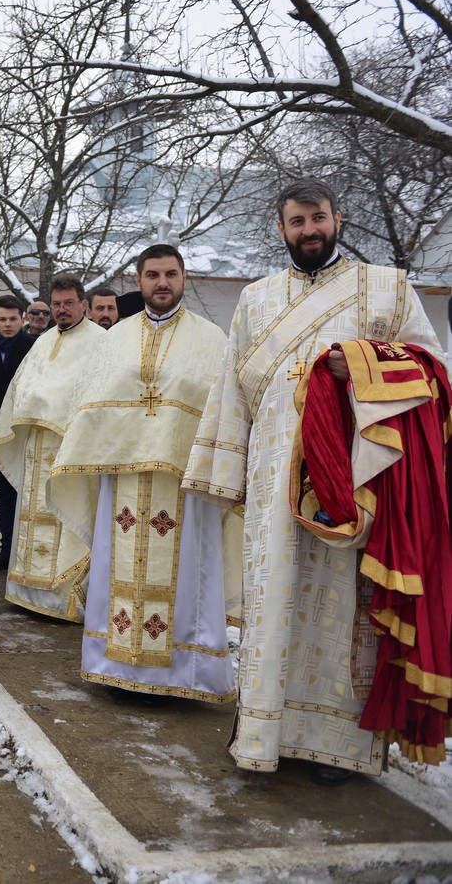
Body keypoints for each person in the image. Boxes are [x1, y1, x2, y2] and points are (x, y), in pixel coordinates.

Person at [183, 177, 444, 784]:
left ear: (338, 218)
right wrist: (225, 473)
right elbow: (231, 393)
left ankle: (337, 747)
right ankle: (264, 732)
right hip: (275, 482)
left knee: (342, 609)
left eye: (318, 218)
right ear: (280, 229)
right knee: (273, 602)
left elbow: (433, 373)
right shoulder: (255, 298)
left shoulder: (387, 286)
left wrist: (362, 365)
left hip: (357, 482)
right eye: (296, 222)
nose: (309, 231)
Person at [48, 245, 239, 706]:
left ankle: (181, 674)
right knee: (117, 571)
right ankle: (114, 667)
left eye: (170, 274)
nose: (161, 283)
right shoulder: (114, 340)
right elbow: (90, 406)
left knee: (188, 574)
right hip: (122, 483)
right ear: (139, 279)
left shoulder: (212, 339)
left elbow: (223, 414)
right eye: (152, 274)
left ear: (183, 277)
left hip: (184, 485)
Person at [0, 274, 106, 620]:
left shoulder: (101, 341)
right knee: (31, 518)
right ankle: (27, 590)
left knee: (63, 515)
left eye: (69, 303)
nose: (61, 310)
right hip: (36, 444)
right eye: (56, 304)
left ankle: (61, 597)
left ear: (83, 304)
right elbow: (22, 388)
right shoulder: (41, 341)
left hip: (70, 445)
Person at [0, 293, 37, 572]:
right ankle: (6, 550)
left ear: (23, 319)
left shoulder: (34, 347)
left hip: (26, 432)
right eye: (2, 319)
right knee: (4, 493)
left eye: (13, 318)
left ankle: (27, 553)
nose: (7, 324)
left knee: (29, 493)